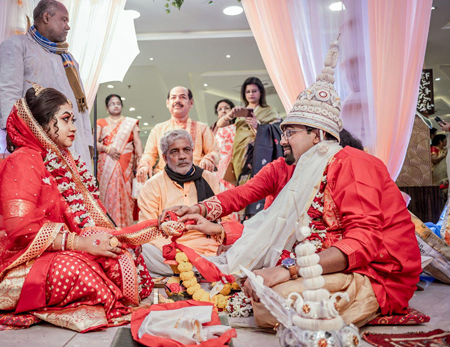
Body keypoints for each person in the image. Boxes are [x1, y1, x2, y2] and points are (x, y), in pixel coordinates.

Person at [168, 41, 421, 328]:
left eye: (291, 132)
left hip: (377, 271)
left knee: (270, 300)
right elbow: (244, 193)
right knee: (255, 277)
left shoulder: (353, 164)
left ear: (318, 135)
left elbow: (364, 242)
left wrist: (288, 270)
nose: (282, 140)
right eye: (283, 131)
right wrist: (202, 208)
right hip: (329, 256)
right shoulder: (302, 167)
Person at [0, 85, 155, 332]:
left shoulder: (58, 160)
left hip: (49, 250)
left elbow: (81, 218)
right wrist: (81, 244)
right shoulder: (23, 160)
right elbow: (19, 228)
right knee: (80, 271)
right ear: (40, 123)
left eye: (73, 119)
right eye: (65, 119)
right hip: (11, 261)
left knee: (122, 254)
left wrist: (100, 239)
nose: (73, 127)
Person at [0, 0, 94, 170]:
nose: (68, 26)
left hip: (76, 147)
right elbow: (9, 92)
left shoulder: (69, 59)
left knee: (76, 195)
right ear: (46, 17)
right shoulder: (17, 46)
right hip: (37, 141)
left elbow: (81, 107)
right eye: (64, 20)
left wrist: (88, 142)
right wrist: (12, 132)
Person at [138, 129, 241, 276]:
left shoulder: (210, 179)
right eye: (174, 151)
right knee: (142, 251)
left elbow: (226, 220)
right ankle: (206, 269)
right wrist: (178, 254)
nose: (182, 156)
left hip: (211, 250)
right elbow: (148, 231)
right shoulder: (152, 185)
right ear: (165, 157)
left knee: (247, 245)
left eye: (186, 150)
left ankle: (199, 269)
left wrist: (227, 243)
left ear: (192, 152)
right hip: (172, 253)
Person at [136, 86, 219, 183]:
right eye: (173, 97)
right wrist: (145, 165)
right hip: (165, 182)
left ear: (191, 103)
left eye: (182, 97)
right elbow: (149, 154)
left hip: (195, 181)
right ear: (167, 103)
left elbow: (214, 152)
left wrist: (209, 159)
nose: (177, 100)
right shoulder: (158, 129)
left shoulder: (202, 128)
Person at [216, 77, 280, 184]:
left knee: (257, 184)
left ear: (261, 93)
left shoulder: (269, 111)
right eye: (248, 91)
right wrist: (230, 114)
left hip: (259, 152)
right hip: (239, 152)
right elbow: (220, 124)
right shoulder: (241, 112)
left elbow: (277, 130)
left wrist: (257, 125)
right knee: (242, 184)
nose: (251, 94)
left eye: (254, 91)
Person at [96, 94, 142, 227]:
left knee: (126, 193)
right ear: (106, 107)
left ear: (122, 105)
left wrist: (141, 161)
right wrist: (107, 149)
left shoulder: (130, 122)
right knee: (109, 193)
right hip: (107, 162)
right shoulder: (101, 122)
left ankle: (126, 227)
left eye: (118, 103)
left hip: (126, 163)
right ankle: (110, 226)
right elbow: (93, 142)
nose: (115, 106)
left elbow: (137, 143)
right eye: (112, 104)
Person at [212, 99, 236, 183]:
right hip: (217, 167)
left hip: (233, 164)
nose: (223, 111)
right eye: (220, 109)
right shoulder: (211, 131)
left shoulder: (237, 127)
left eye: (226, 108)